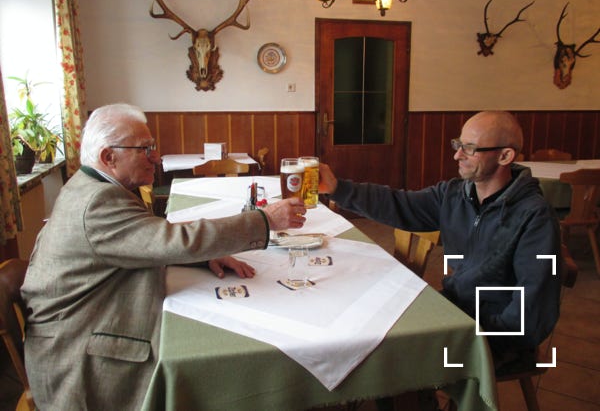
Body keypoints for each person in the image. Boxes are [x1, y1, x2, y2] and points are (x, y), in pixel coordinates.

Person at [21, 103, 307, 410]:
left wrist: (204, 256)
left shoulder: (91, 186)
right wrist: (265, 219)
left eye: (153, 147)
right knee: (218, 357)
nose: (156, 157)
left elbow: (143, 241)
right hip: (78, 359)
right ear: (108, 157)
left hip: (79, 327)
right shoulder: (98, 201)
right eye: (144, 149)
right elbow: (174, 240)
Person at [319, 110, 562, 371]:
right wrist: (338, 189)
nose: (457, 155)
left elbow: (533, 310)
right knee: (367, 330)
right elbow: (399, 204)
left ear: (505, 156)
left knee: (389, 360)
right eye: (458, 145)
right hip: (455, 310)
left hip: (497, 337)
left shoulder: (534, 216)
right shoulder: (455, 194)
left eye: (470, 149)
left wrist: (475, 341)